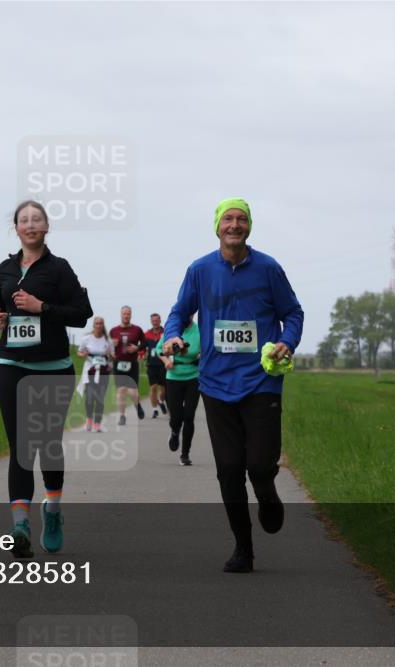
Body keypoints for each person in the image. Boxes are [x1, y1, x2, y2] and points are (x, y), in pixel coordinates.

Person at [163, 197, 303, 574]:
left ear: (249, 226)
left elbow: (292, 312)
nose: (235, 225)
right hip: (215, 383)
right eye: (228, 219)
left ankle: (267, 493)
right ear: (217, 226)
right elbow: (179, 311)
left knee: (259, 465)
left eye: (241, 219)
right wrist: (172, 335)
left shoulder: (268, 268)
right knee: (228, 468)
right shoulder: (200, 270)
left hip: (261, 381)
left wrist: (287, 340)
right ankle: (243, 548)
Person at [0, 200, 92, 558]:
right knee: (21, 446)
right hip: (10, 364)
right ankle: (20, 526)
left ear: (46, 227)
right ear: (16, 228)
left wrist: (41, 307)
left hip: (53, 367)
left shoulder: (59, 268)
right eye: (24, 220)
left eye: (36, 220)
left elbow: (81, 314)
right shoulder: (4, 268)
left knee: (47, 444)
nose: (30, 225)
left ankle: (53, 510)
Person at [157, 316, 200, 466]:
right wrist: (166, 361)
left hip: (193, 376)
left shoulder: (199, 330)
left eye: (190, 313)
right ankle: (175, 432)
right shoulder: (172, 331)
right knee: (176, 417)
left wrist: (202, 355)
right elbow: (159, 349)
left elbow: (207, 349)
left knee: (189, 416)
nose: (187, 316)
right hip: (173, 377)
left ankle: (185, 454)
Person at [109, 306, 146, 426]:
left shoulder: (137, 330)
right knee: (121, 390)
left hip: (132, 363)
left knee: (133, 392)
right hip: (118, 363)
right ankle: (122, 416)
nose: (126, 316)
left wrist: (137, 348)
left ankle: (137, 405)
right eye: (124, 314)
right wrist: (111, 349)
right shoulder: (113, 330)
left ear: (131, 315)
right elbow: (108, 347)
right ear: (121, 315)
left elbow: (145, 343)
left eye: (128, 314)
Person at [77, 317, 115, 432]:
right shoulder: (86, 339)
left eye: (100, 323)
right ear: (94, 325)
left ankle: (97, 423)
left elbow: (113, 357)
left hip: (103, 372)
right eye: (97, 323)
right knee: (89, 398)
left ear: (103, 325)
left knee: (100, 398)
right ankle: (89, 420)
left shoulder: (108, 341)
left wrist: (110, 355)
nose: (98, 325)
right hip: (90, 371)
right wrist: (83, 354)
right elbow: (79, 352)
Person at [144, 313, 169, 418]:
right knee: (153, 387)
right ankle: (155, 410)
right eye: (153, 321)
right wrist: (141, 355)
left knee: (164, 389)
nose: (155, 322)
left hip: (163, 364)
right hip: (151, 365)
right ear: (151, 321)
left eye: (156, 320)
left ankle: (161, 401)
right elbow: (142, 347)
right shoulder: (147, 334)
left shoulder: (165, 332)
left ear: (160, 321)